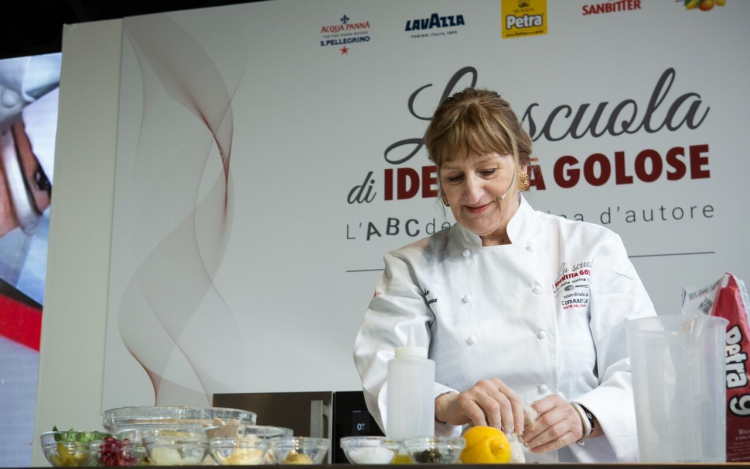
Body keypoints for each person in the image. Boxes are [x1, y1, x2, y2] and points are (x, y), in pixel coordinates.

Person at [353, 88, 656, 463]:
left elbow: (645, 367)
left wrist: (585, 415)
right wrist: (448, 404)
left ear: (523, 167)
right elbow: (387, 374)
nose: (473, 192)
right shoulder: (412, 266)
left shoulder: (589, 248)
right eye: (454, 177)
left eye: (487, 171)